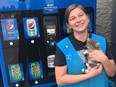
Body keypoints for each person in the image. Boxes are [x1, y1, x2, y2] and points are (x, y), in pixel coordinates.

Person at [54, 4, 116, 87]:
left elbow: (112, 73)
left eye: (81, 15)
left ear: (88, 18)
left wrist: (104, 59)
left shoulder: (102, 41)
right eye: (73, 18)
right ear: (68, 25)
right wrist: (89, 75)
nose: (78, 20)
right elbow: (60, 80)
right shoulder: (62, 47)